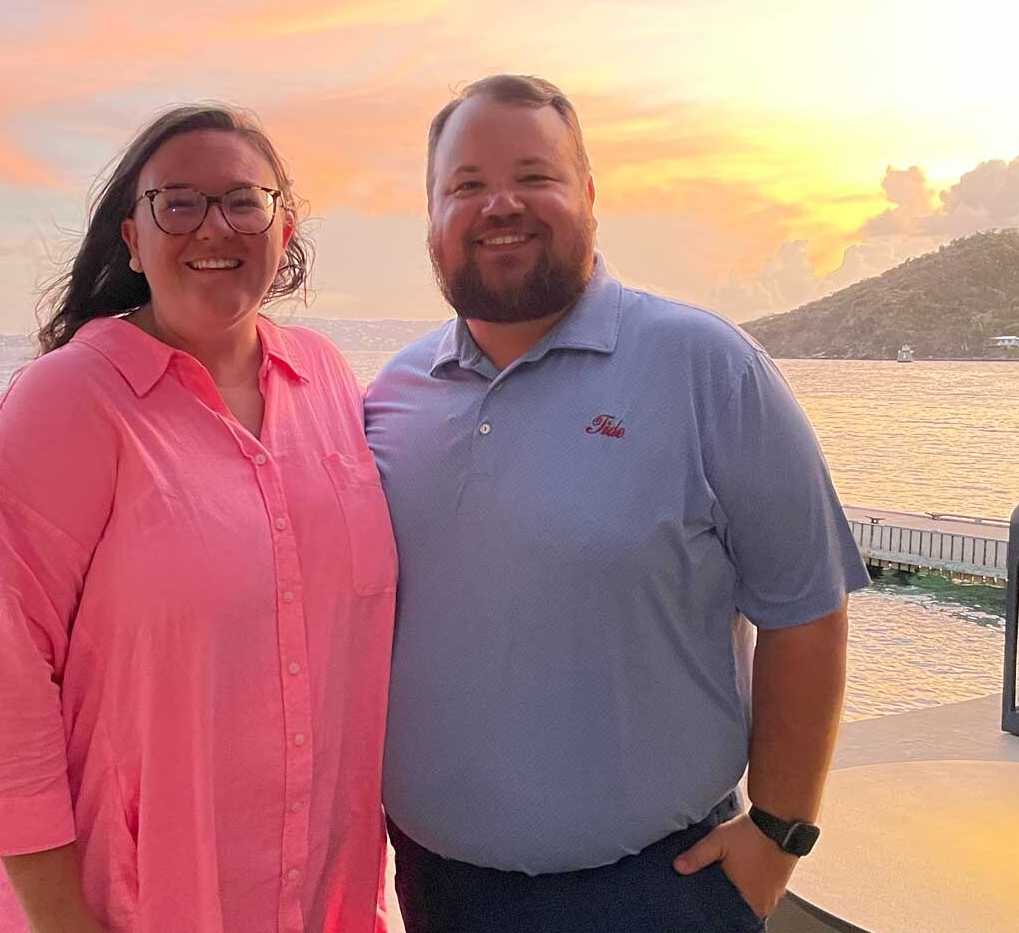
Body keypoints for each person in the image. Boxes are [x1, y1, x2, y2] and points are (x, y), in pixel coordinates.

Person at [364, 75, 869, 932]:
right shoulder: (392, 395)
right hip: (436, 890)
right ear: (430, 218)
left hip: (655, 893)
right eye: (466, 185)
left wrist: (777, 835)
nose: (501, 205)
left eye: (535, 175)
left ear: (590, 196)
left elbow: (806, 609)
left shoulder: (710, 368)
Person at [0, 104, 397, 933]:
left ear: (285, 224)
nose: (215, 225)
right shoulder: (68, 402)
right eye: (179, 202)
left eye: (244, 199)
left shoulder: (326, 379)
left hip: (319, 897)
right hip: (143, 904)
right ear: (133, 236)